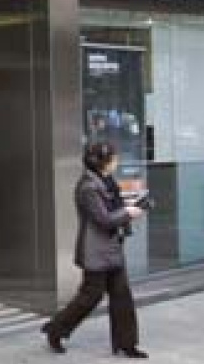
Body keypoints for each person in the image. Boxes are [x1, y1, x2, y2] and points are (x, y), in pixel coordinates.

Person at [41, 142, 148, 358]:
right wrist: (129, 213)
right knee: (90, 297)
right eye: (113, 158)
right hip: (95, 251)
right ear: (103, 162)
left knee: (122, 297)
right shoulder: (88, 188)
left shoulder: (106, 181)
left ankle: (127, 344)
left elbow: (113, 208)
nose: (116, 161)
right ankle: (56, 329)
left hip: (112, 248)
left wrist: (131, 206)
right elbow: (104, 219)